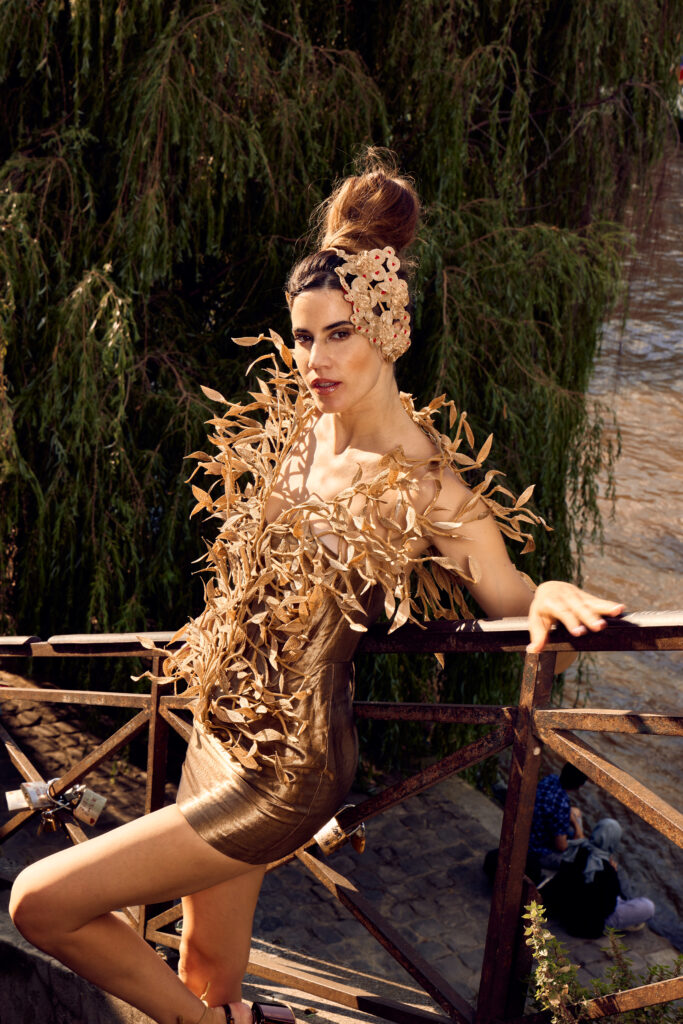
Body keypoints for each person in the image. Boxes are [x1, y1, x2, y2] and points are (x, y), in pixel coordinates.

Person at [8, 154, 626, 1024]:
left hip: (285, 769)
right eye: (301, 338)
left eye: (338, 334)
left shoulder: (425, 484)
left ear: (389, 330)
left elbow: (511, 600)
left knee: (40, 902)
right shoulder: (305, 424)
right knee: (203, 971)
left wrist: (552, 592)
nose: (313, 359)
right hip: (216, 726)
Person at [542, 818, 655, 939]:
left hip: (566, 912)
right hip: (586, 925)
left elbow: (562, 881)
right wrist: (614, 874)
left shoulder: (577, 849)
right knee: (648, 907)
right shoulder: (607, 870)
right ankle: (621, 925)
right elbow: (609, 908)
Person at [528, 763, 589, 870]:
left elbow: (563, 810)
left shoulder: (551, 779)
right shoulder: (562, 805)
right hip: (535, 850)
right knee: (575, 860)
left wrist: (577, 828)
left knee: (576, 812)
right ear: (579, 786)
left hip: (530, 826)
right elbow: (561, 846)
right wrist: (577, 835)